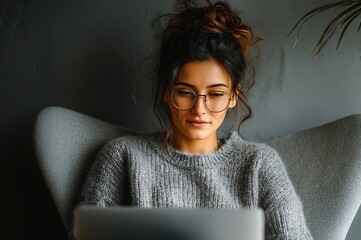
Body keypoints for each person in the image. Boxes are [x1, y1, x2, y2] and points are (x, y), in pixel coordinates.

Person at [77, 0, 313, 239]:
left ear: (234, 96)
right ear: (165, 91)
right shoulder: (123, 157)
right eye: (185, 93)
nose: (200, 109)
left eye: (216, 94)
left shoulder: (259, 165)